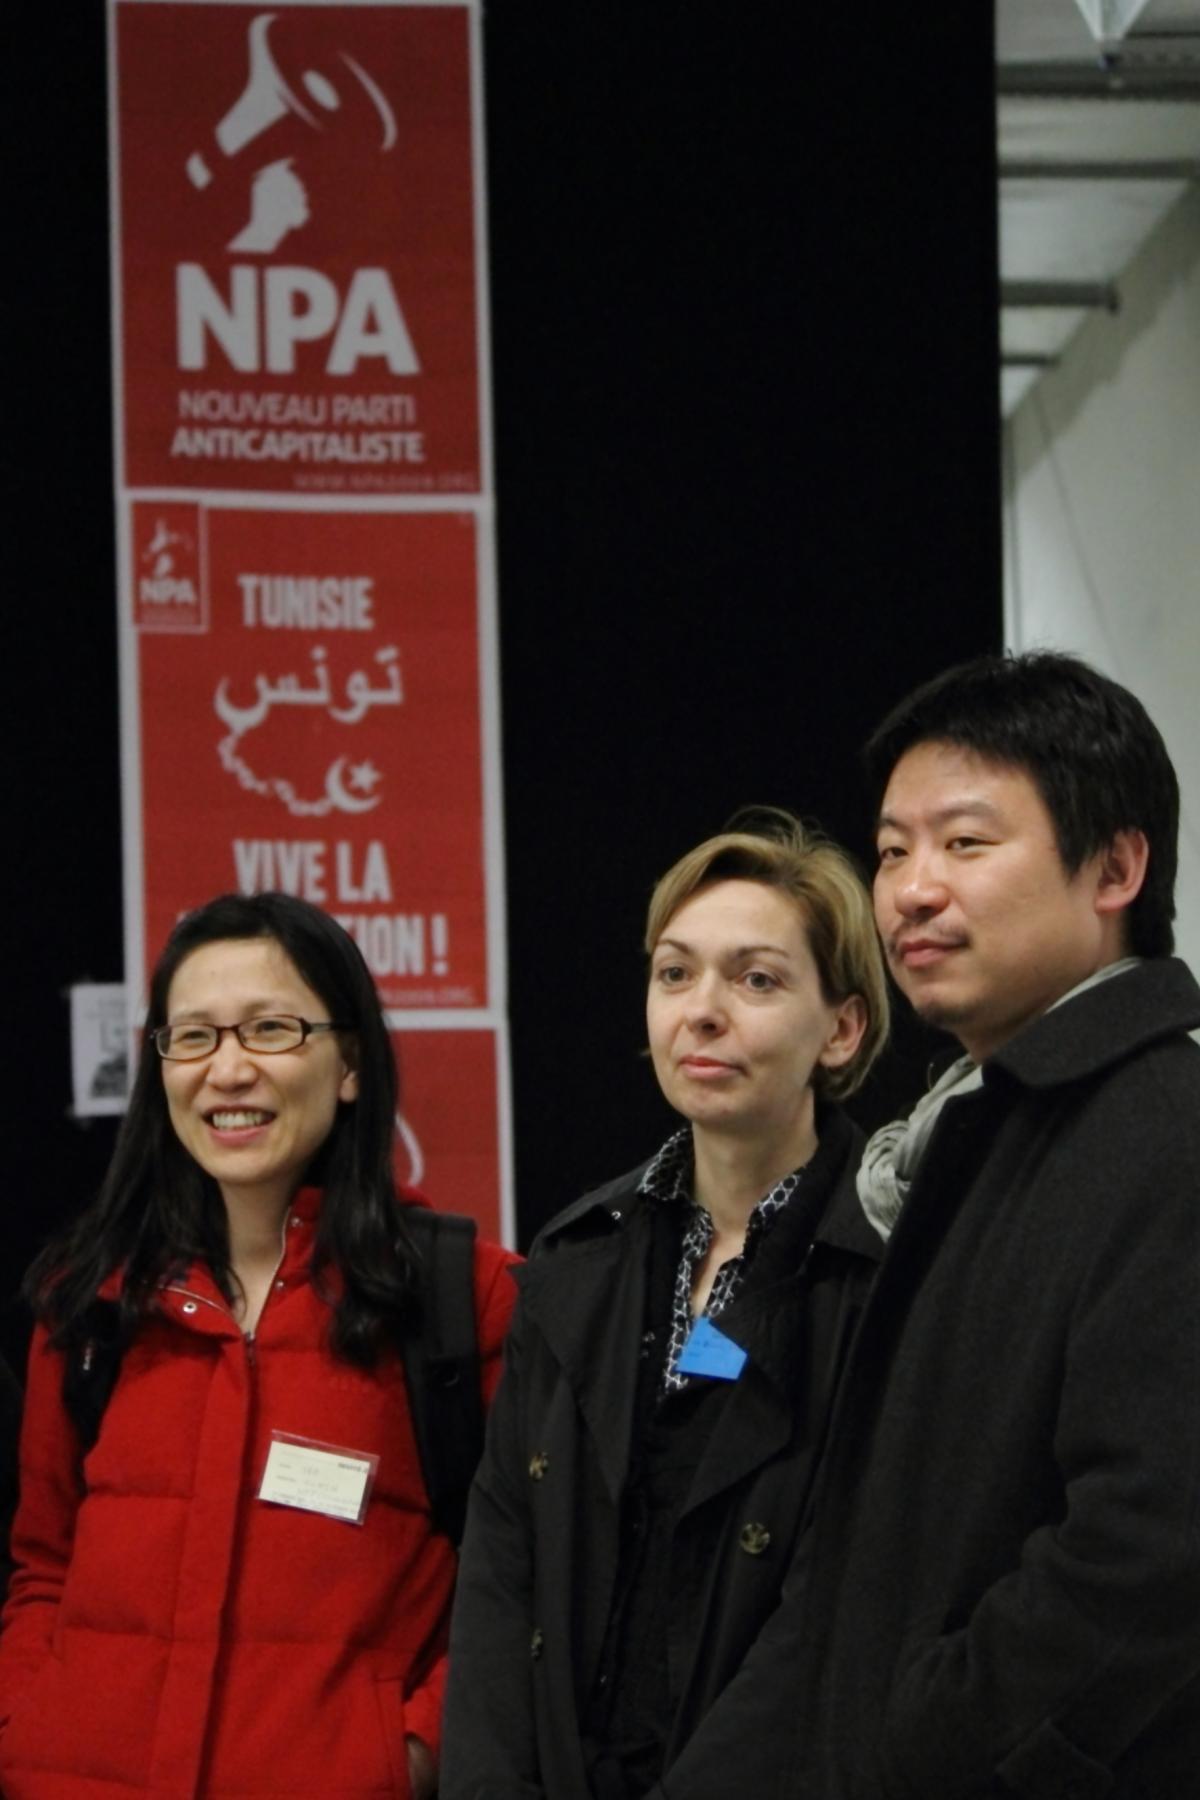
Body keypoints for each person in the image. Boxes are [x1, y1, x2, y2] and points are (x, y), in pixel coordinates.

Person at [0, 892, 518, 1800]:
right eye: (193, 1036)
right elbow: (42, 1567)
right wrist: (29, 1731)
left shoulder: (463, 1300)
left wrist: (408, 1758)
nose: (228, 1070)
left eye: (271, 1029)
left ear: (349, 1063)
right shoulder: (91, 1303)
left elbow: (521, 1586)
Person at [790, 650, 1200, 1798]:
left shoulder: (1166, 1134)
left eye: (966, 843)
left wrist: (931, 1740)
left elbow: (1154, 1547)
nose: (912, 891)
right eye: (892, 851)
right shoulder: (971, 1136)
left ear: (1116, 866)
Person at [441, 814, 890, 1800]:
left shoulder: (891, 1274)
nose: (703, 1011)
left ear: (843, 1028)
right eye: (675, 974)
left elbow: (843, 1606)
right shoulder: (577, 1256)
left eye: (756, 980)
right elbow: (502, 1557)